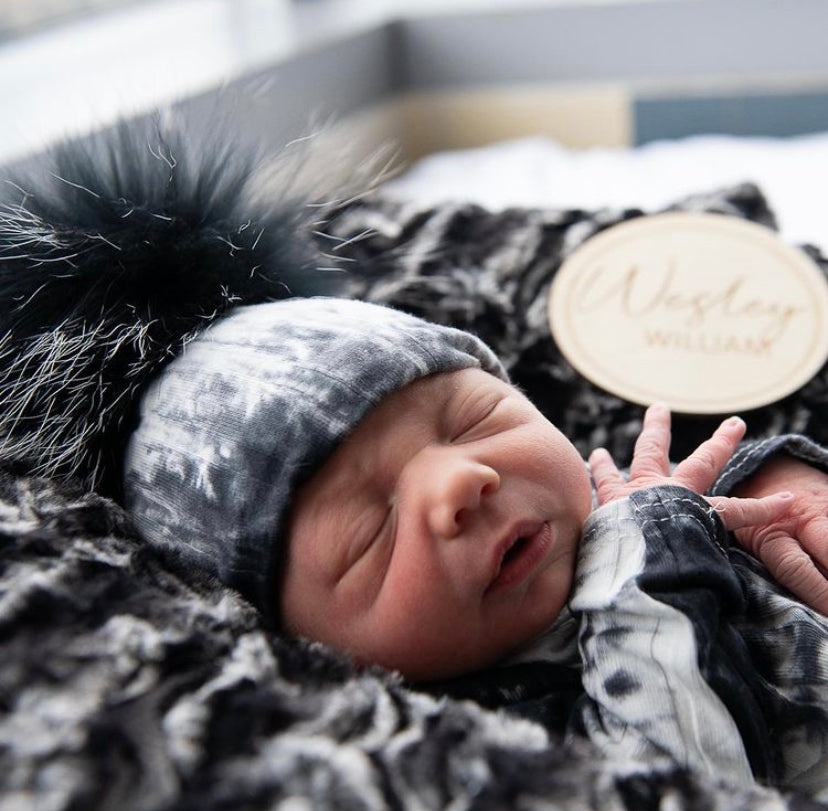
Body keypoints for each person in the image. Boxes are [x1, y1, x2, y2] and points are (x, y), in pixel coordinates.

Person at [122, 296, 828, 798]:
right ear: (297, 644)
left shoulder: (598, 509)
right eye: (370, 531)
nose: (462, 480)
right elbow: (687, 777)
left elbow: (664, 507)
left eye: (473, 420)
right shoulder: (458, 739)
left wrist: (769, 486)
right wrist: (645, 551)